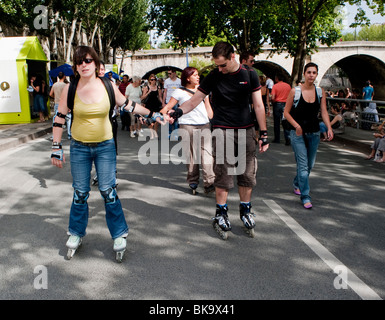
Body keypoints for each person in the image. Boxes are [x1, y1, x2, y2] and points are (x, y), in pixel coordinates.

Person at [51, 45, 164, 260]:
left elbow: (129, 105)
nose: (83, 65)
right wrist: (56, 147)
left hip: (104, 146)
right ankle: (75, 232)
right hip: (79, 147)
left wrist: (153, 114)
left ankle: (119, 235)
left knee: (108, 191)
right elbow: (59, 118)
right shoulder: (70, 88)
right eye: (79, 62)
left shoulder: (108, 85)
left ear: (95, 63)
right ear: (76, 66)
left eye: (87, 60)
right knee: (80, 193)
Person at [167, 41, 269, 235]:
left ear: (233, 57)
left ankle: (245, 210)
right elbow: (195, 100)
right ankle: (221, 213)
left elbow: (258, 106)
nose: (220, 69)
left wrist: (263, 133)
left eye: (223, 65)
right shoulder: (214, 76)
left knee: (247, 174)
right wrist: (178, 112)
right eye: (217, 65)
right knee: (223, 174)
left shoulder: (249, 74)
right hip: (222, 130)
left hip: (246, 130)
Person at [283, 62, 333, 209]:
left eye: (314, 72)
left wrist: (329, 128)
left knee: (309, 165)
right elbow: (286, 112)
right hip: (297, 134)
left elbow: (323, 111)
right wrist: (297, 126)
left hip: (314, 132)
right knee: (303, 166)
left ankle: (297, 183)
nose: (311, 75)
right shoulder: (295, 91)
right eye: (309, 72)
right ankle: (305, 196)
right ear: (304, 74)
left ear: (317, 75)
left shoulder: (320, 92)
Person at [161, 66, 214, 194]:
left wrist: (211, 116)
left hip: (204, 125)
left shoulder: (203, 90)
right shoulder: (179, 92)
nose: (198, 77)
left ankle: (209, 182)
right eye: (195, 75)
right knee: (191, 156)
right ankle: (193, 181)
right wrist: (163, 115)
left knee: (207, 154)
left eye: (197, 74)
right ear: (188, 78)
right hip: (187, 125)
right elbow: (167, 107)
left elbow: (209, 111)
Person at [271, 73, 291, 145]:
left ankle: (277, 138)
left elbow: (273, 97)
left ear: (277, 79)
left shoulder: (275, 86)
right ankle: (287, 138)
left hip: (277, 104)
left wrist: (273, 102)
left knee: (276, 122)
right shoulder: (288, 86)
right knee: (285, 122)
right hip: (286, 105)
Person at [141, 74, 163, 139]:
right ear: (149, 81)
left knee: (156, 120)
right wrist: (148, 92)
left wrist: (163, 104)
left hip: (156, 105)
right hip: (149, 105)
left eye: (154, 80)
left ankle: (155, 133)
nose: (153, 81)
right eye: (152, 80)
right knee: (150, 121)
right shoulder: (146, 87)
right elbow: (142, 97)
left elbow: (159, 96)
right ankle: (152, 134)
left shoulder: (158, 87)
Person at [163, 68, 181, 140]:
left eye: (170, 73)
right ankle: (169, 133)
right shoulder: (166, 81)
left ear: (174, 73)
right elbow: (165, 91)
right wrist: (163, 102)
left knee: (176, 118)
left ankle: (176, 133)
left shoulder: (179, 81)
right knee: (168, 117)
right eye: (168, 74)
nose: (169, 75)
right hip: (168, 101)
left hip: (177, 101)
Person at [50, 72, 68, 139]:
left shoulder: (55, 85)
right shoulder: (65, 85)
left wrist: (55, 96)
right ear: (64, 77)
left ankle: (54, 135)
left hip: (57, 103)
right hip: (64, 104)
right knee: (68, 118)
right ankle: (69, 134)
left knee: (56, 119)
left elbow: (50, 94)